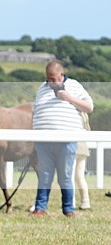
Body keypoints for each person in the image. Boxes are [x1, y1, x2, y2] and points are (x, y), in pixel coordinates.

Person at [31, 60, 93, 218]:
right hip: (44, 141)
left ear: (61, 74)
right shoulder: (42, 88)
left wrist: (69, 97)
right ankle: (40, 208)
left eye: (53, 78)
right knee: (44, 176)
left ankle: (68, 209)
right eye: (47, 79)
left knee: (65, 176)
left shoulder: (74, 85)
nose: (50, 82)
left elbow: (89, 107)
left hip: (66, 140)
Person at [74, 111, 91, 210]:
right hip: (83, 147)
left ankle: (71, 201)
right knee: (80, 176)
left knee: (70, 176)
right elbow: (88, 130)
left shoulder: (71, 112)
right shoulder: (84, 114)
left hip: (73, 147)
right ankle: (85, 201)